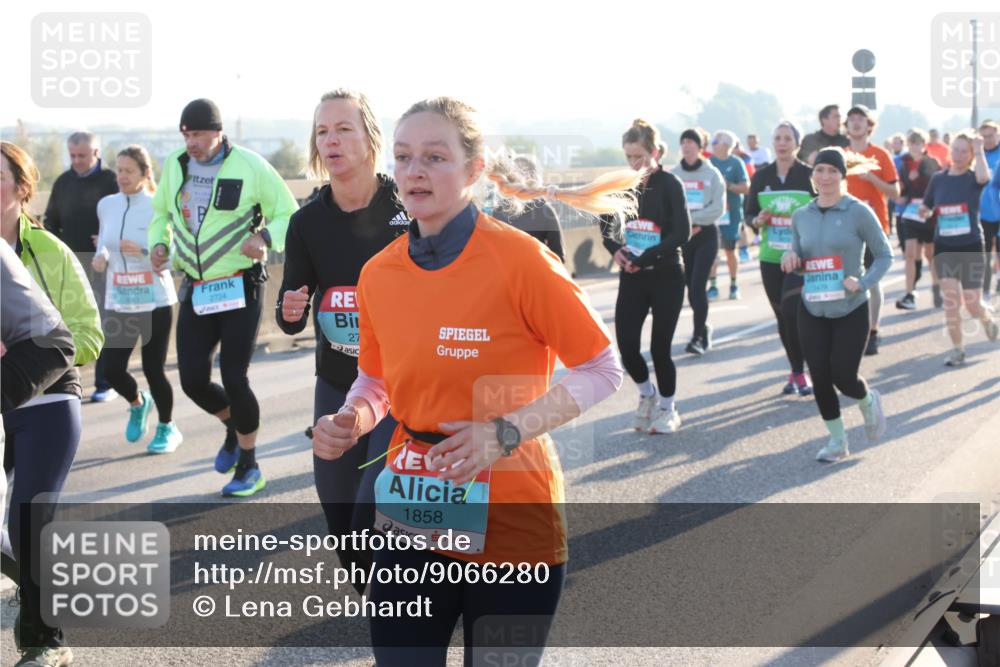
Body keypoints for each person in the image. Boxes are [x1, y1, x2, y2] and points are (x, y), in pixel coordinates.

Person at [311, 96, 628, 667]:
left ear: (475, 170)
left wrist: (503, 432)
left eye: (435, 157)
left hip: (513, 521)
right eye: (405, 157)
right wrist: (352, 418)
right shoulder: (378, 274)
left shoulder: (521, 261)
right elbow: (376, 379)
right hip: (410, 518)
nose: (415, 171)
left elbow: (603, 369)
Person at [276, 89, 404, 592]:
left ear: (370, 137)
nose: (331, 140)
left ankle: (406, 612)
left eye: (343, 129)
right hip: (337, 382)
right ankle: (383, 601)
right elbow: (293, 310)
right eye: (323, 131)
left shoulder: (408, 208)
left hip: (401, 384)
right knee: (341, 520)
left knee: (375, 505)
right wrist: (290, 309)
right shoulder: (306, 222)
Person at [148, 98, 298, 497]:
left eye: (197, 134)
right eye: (186, 134)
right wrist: (158, 245)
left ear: (217, 132)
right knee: (193, 380)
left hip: (241, 284)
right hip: (197, 287)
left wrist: (265, 237)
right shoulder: (176, 166)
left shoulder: (249, 165)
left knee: (234, 376)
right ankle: (234, 425)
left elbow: (288, 212)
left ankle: (250, 465)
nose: (191, 142)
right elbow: (160, 214)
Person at [2, 140, 103, 667]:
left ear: (22, 188)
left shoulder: (51, 254)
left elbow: (85, 336)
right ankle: (32, 576)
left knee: (29, 516)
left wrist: (23, 352)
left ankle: (45, 642)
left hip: (47, 398)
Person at [780, 147, 892, 462]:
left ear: (842, 176)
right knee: (819, 375)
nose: (825, 177)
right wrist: (792, 259)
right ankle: (837, 441)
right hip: (813, 306)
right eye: (820, 170)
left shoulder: (858, 211)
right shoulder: (802, 214)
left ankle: (868, 400)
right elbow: (799, 256)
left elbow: (885, 255)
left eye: (832, 171)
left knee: (843, 376)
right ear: (812, 175)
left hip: (851, 306)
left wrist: (864, 283)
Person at [600, 119, 689, 433]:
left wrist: (647, 256)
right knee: (626, 347)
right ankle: (647, 394)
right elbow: (606, 226)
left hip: (666, 274)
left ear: (655, 152)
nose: (634, 163)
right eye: (629, 157)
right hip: (633, 276)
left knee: (661, 348)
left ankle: (668, 408)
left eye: (639, 156)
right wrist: (617, 251)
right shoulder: (622, 185)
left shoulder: (670, 185)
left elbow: (682, 233)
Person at [92, 146, 181, 453]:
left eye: (129, 171)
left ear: (145, 173)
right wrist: (100, 258)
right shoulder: (106, 205)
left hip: (155, 299)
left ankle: (167, 428)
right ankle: (138, 402)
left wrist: (144, 253)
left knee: (153, 368)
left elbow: (174, 258)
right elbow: (103, 242)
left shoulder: (158, 206)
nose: (122, 176)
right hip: (121, 298)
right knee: (112, 368)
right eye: (119, 170)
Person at [44, 130, 119, 403]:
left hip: (104, 265)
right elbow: (50, 220)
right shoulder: (63, 183)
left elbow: (123, 216)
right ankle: (67, 381)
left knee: (101, 322)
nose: (76, 161)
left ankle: (104, 382)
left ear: (96, 153)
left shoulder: (112, 181)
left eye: (82, 156)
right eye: (72, 156)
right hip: (69, 266)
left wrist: (108, 240)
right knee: (68, 324)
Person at [746, 121, 817, 396]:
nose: (782, 142)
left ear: (797, 144)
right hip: (770, 256)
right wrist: (757, 220)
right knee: (782, 317)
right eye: (778, 138)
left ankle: (808, 367)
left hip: (801, 257)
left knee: (793, 311)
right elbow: (749, 213)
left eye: (788, 138)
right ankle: (796, 371)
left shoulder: (809, 175)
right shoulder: (761, 177)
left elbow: (822, 209)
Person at [918, 131, 998, 366]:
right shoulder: (938, 179)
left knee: (972, 303)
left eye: (965, 151)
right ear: (950, 151)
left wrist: (980, 148)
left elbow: (985, 178)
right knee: (951, 301)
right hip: (945, 247)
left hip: (971, 246)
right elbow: (927, 205)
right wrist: (924, 211)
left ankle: (985, 317)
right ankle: (958, 349)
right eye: (956, 150)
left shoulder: (973, 177)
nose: (959, 155)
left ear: (971, 154)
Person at [843, 105, 900, 355]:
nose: (856, 123)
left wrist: (872, 179)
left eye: (861, 120)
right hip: (843, 228)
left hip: (875, 226)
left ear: (869, 126)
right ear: (846, 125)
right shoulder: (840, 155)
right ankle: (849, 329)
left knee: (872, 281)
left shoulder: (880, 155)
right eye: (851, 119)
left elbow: (895, 193)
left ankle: (873, 330)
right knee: (846, 280)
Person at [672, 129, 726, 355]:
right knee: (690, 290)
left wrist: (693, 222)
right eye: (683, 142)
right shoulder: (674, 174)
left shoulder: (711, 174)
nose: (687, 146)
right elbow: (670, 207)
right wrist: (685, 226)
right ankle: (703, 328)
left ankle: (696, 338)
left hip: (705, 236)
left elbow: (717, 208)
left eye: (691, 142)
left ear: (700, 146)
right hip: (683, 239)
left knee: (697, 286)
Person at [894, 130, 942, 310]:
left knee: (930, 254)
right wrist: (900, 196)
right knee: (910, 254)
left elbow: (938, 185)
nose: (915, 146)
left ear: (924, 144)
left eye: (918, 142)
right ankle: (909, 293)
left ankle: (937, 289)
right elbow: (903, 190)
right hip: (911, 214)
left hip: (929, 213)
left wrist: (933, 205)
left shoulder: (932, 162)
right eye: (912, 142)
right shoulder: (903, 164)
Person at [491, 155, 566, 263]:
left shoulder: (544, 211)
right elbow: (558, 257)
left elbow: (558, 256)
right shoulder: (497, 213)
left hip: (526, 277)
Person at [708, 130, 749, 300]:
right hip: (712, 214)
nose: (713, 144)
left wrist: (728, 185)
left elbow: (746, 187)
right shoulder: (708, 163)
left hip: (731, 214)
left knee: (730, 251)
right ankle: (713, 286)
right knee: (712, 252)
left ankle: (733, 285)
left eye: (715, 141)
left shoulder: (737, 163)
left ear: (724, 145)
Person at [977, 120, 1000, 295]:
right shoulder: (976, 156)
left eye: (991, 136)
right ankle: (984, 290)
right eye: (984, 136)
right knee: (983, 254)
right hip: (982, 213)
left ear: (997, 135)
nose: (987, 139)